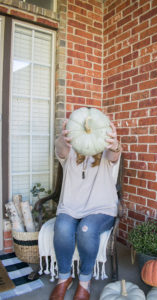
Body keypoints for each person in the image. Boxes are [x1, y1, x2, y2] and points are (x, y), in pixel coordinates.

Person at [49, 115, 121, 300]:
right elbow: (61, 150)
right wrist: (62, 140)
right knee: (63, 227)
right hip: (71, 207)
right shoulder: (70, 151)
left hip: (101, 208)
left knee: (86, 230)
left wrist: (115, 146)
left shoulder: (104, 150)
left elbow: (114, 155)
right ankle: (64, 278)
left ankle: (85, 281)